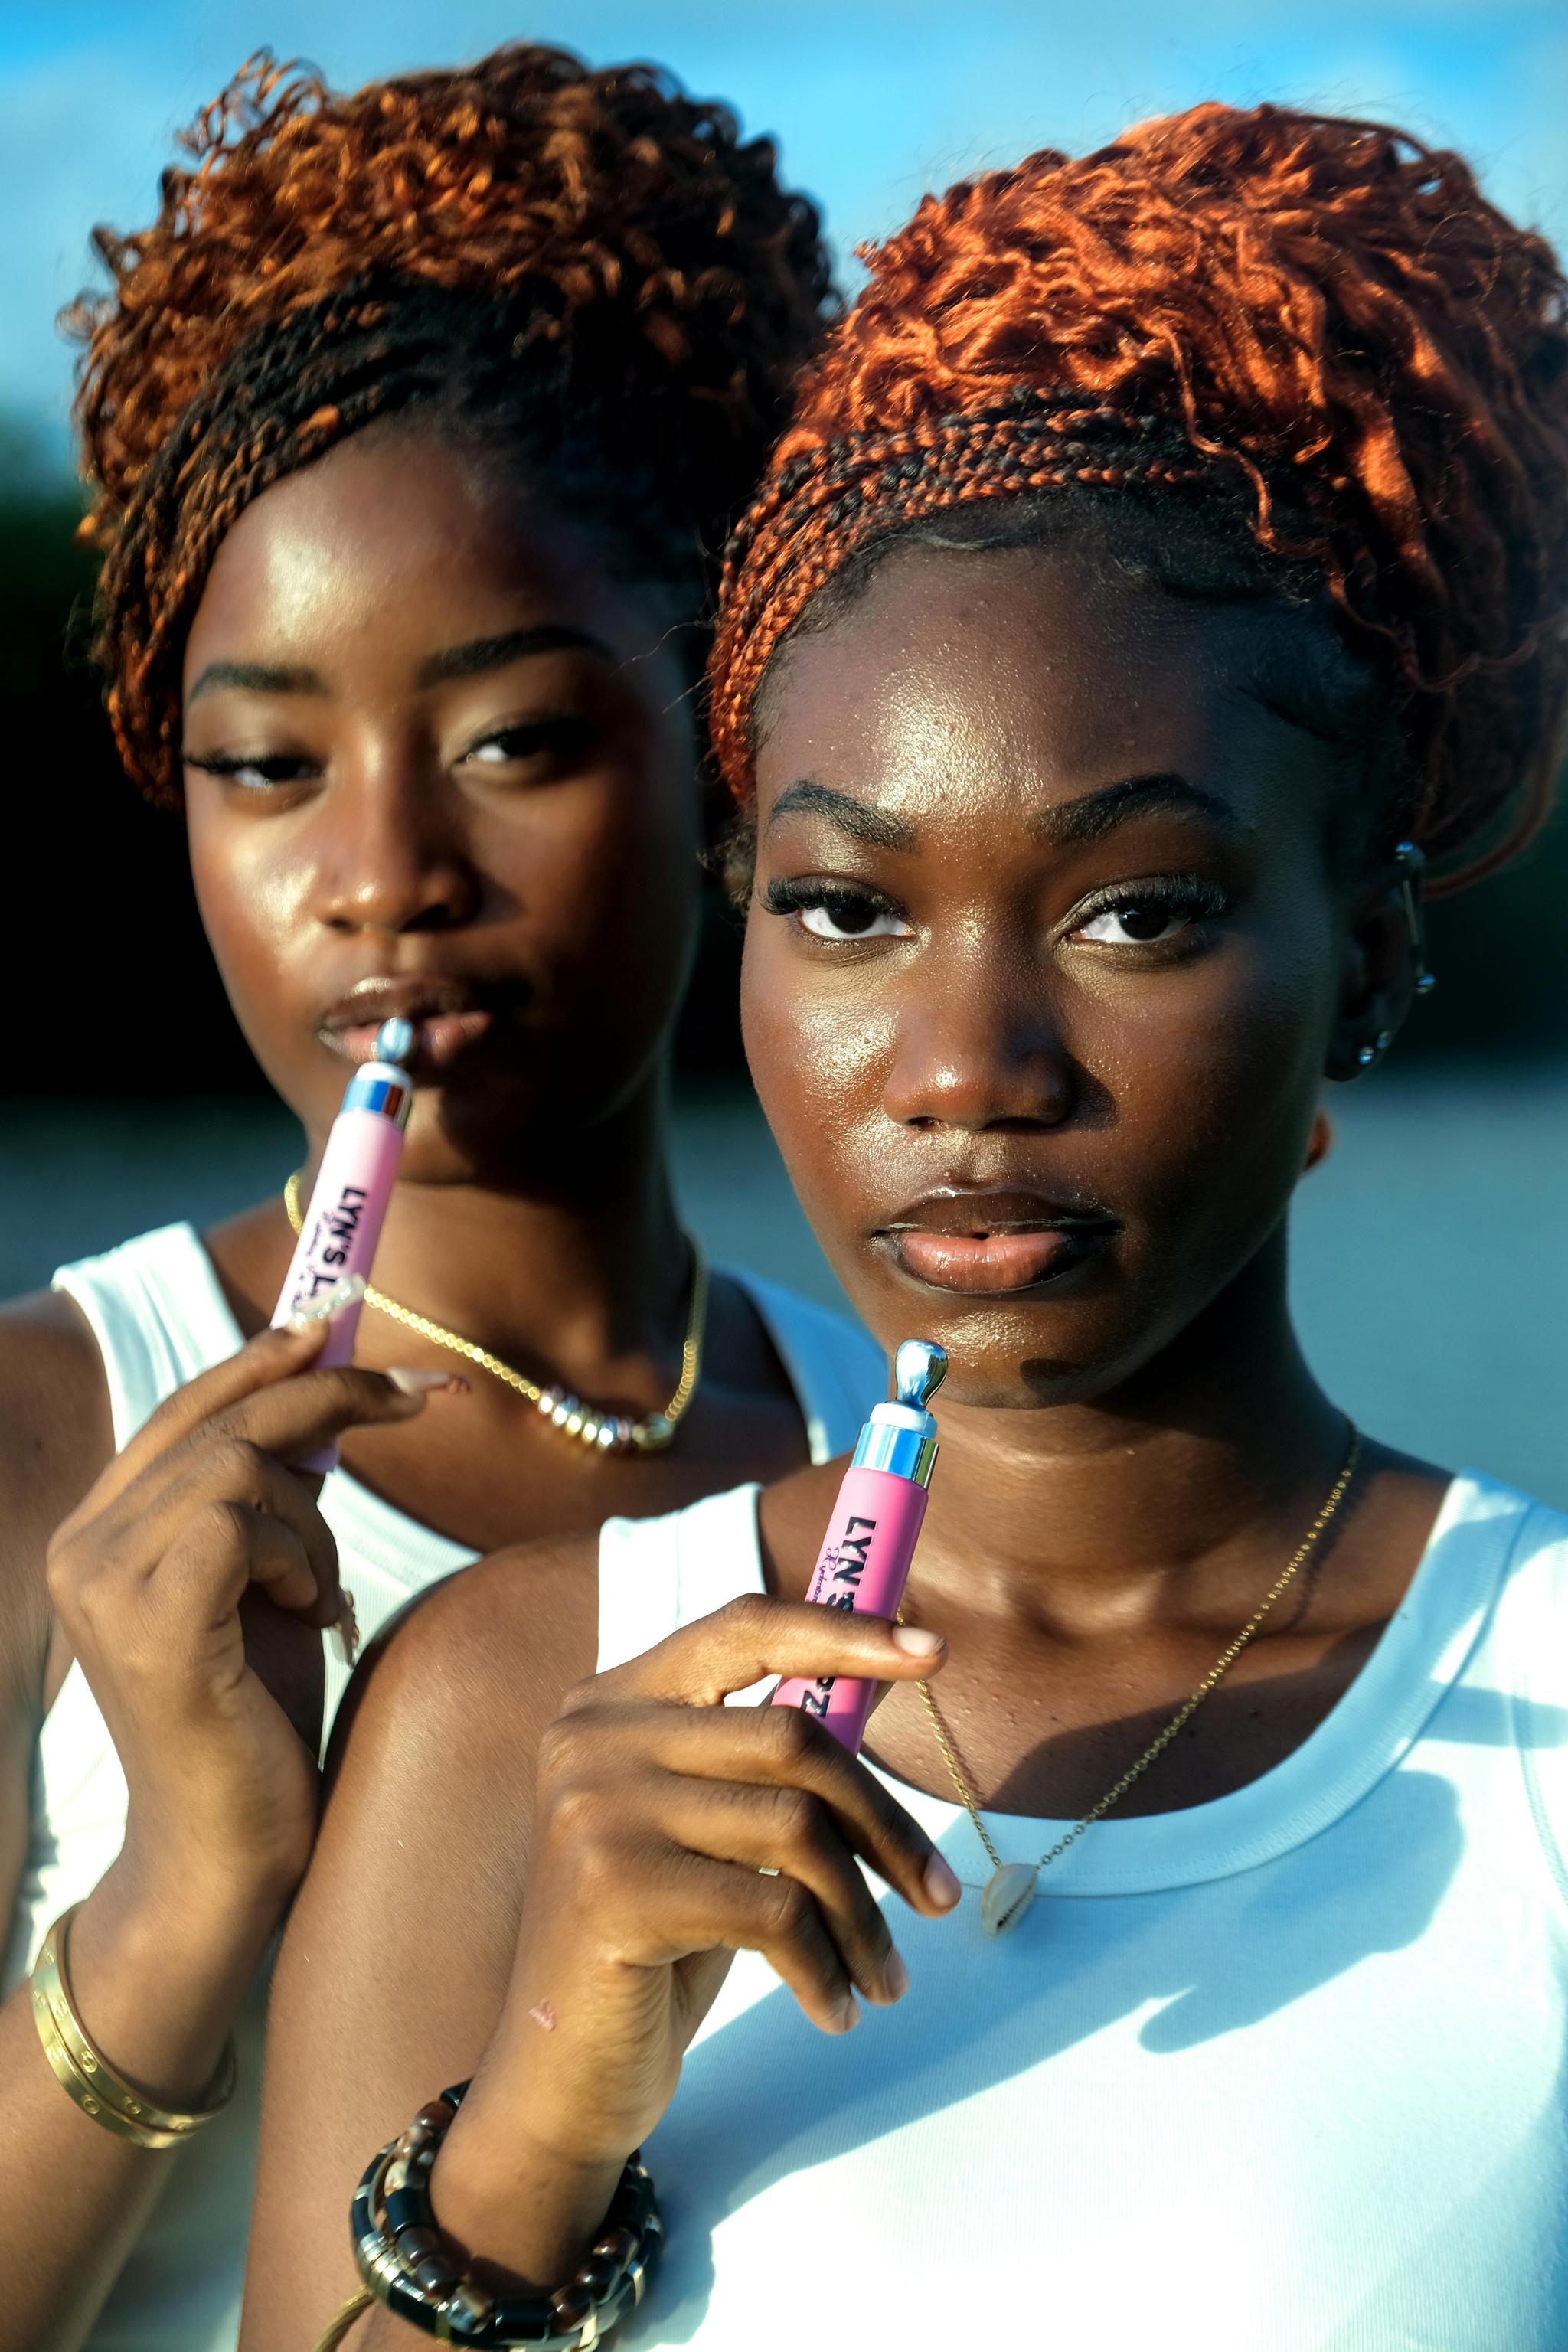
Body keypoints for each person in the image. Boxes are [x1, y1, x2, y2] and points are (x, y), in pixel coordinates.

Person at [245, 103, 1568, 2350]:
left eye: (1139, 910)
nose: (967, 1064)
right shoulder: (499, 1710)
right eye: (848, 908)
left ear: (1368, 957)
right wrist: (541, 2121)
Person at [0, 45, 880, 2352]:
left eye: (513, 741)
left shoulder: (891, 1460)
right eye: (267, 766)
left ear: (732, 740)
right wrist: (187, 1897)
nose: (379, 880)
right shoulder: (37, 1439)